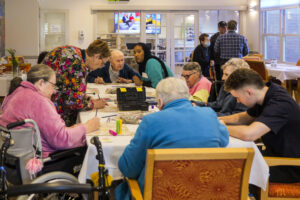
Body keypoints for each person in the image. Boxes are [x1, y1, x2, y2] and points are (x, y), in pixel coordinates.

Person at [115, 77, 229, 200]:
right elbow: (224, 141)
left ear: (159, 102)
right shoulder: (209, 114)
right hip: (204, 192)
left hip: (160, 194)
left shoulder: (151, 121)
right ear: (188, 95)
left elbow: (128, 169)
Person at [0, 65, 100, 162]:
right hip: (42, 161)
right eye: (53, 85)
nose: (54, 91)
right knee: (90, 151)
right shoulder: (39, 101)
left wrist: (72, 129)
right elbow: (61, 140)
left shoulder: (16, 92)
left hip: (15, 158)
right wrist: (86, 127)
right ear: (41, 83)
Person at [219, 68, 300, 183]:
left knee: (232, 170)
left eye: (237, 97)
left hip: (290, 166)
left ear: (249, 92)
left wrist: (219, 128)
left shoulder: (279, 103)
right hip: (276, 156)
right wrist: (217, 120)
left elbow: (249, 134)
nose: (237, 102)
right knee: (232, 160)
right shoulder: (266, 93)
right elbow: (244, 118)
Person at [44, 42, 110, 126]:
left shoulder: (74, 51)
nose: (102, 66)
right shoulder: (78, 65)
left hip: (42, 101)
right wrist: (94, 104)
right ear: (96, 56)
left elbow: (69, 87)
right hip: (52, 113)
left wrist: (84, 97)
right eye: (103, 63)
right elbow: (74, 102)